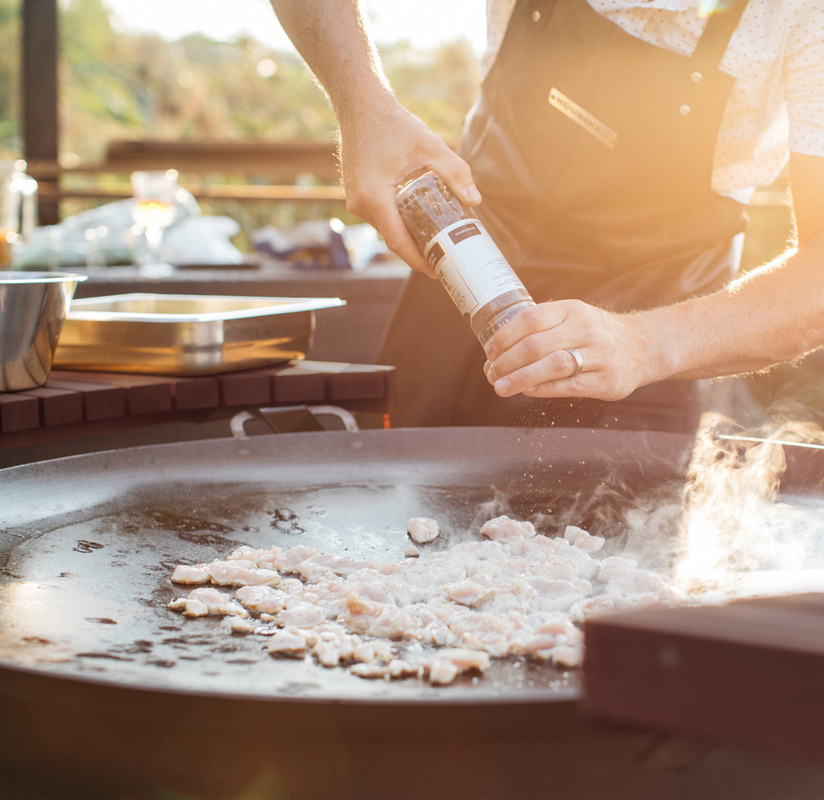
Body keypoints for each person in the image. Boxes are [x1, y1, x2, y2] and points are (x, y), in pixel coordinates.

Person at [269, 0, 824, 431]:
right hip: (469, 265)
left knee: (611, 555)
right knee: (388, 516)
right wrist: (363, 105)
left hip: (659, 312)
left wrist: (643, 345)